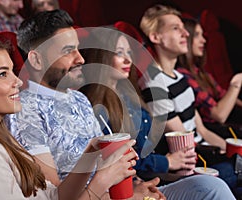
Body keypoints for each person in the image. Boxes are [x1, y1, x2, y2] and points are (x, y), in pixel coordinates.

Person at [6, 9, 236, 199]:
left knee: (209, 186)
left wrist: (135, 185)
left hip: (123, 192)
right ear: (36, 59)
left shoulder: (78, 98)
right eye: (68, 51)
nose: (81, 59)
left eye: (78, 48)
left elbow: (108, 159)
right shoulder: (24, 110)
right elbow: (56, 192)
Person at [0, 34, 146, 199]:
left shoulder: (0, 139)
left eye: (13, 71)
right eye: (3, 74)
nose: (18, 82)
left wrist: (90, 153)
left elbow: (54, 196)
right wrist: (103, 181)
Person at [79, 26, 237, 199]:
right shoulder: (96, 109)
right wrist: (168, 162)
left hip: (160, 173)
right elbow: (123, 162)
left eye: (129, 52)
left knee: (230, 172)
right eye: (119, 53)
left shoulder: (129, 94)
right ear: (101, 57)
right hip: (145, 181)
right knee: (220, 178)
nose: (127, 59)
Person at [139, 4, 242, 197]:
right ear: (155, 37)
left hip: (209, 154)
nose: (185, 33)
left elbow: (201, 130)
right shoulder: (153, 83)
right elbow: (183, 140)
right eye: (175, 28)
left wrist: (232, 151)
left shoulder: (180, 77)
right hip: (194, 163)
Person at [176, 17, 242, 138]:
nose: (204, 40)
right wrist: (236, 84)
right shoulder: (183, 76)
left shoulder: (199, 71)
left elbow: (222, 94)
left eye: (203, 35)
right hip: (212, 132)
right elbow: (219, 115)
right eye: (197, 35)